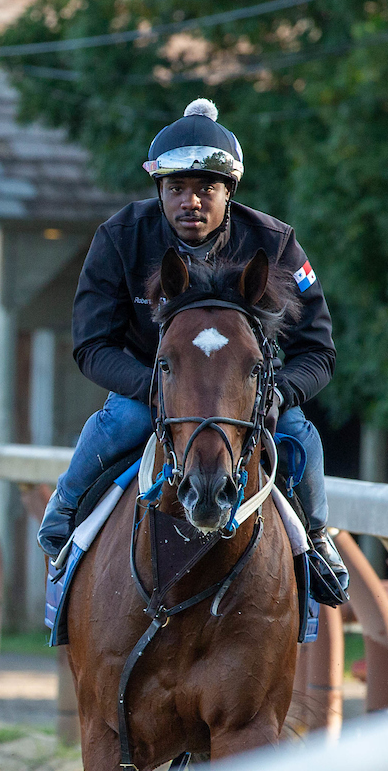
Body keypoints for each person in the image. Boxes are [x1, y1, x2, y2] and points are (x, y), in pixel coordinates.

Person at [37, 98, 348, 587]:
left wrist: (278, 392)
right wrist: (153, 386)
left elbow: (319, 351)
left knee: (298, 434)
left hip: (246, 394)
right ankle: (62, 518)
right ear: (159, 190)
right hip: (153, 385)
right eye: (176, 188)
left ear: (229, 192)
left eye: (206, 189)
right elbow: (91, 345)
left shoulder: (278, 243)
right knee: (121, 421)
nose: (191, 202)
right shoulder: (118, 237)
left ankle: (316, 539)